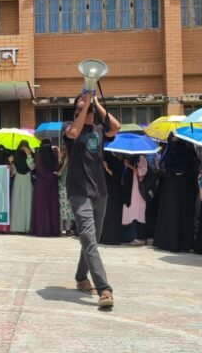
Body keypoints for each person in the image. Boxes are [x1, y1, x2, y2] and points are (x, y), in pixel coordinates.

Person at [64, 92, 121, 308]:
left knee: (92, 239)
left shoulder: (99, 130)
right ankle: (104, 289)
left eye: (87, 98)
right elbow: (74, 132)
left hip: (100, 191)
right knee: (88, 237)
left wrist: (96, 103)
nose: (85, 99)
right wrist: (85, 104)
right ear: (76, 107)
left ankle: (80, 277)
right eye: (81, 99)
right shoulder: (69, 127)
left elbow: (116, 127)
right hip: (78, 191)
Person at [153, 133, 201, 253]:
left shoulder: (188, 151)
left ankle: (185, 243)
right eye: (172, 139)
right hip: (171, 187)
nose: (174, 141)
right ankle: (171, 242)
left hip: (185, 187)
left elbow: (194, 168)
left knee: (184, 214)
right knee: (171, 214)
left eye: (176, 139)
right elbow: (162, 168)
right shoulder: (168, 151)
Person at [32, 139, 61, 237]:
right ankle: (53, 230)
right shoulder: (53, 155)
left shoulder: (39, 156)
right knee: (52, 206)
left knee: (42, 207)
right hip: (53, 185)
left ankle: (41, 230)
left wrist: (49, 176)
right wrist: (53, 176)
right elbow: (56, 168)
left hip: (41, 184)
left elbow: (40, 169)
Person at [121, 155, 147, 246]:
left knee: (139, 214)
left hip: (138, 191)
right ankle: (130, 237)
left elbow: (141, 172)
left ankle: (140, 238)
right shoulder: (129, 159)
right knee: (130, 212)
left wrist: (130, 166)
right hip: (129, 191)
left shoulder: (141, 158)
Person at [99, 152, 124, 245]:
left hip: (114, 193)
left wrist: (107, 168)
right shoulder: (102, 162)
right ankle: (103, 237)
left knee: (112, 215)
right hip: (105, 191)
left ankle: (112, 238)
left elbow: (116, 177)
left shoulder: (116, 162)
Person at [10, 140, 35, 234]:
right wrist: (11, 163)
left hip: (27, 179)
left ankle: (27, 227)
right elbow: (14, 171)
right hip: (18, 180)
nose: (23, 148)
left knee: (27, 202)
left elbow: (32, 167)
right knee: (18, 203)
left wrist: (28, 155)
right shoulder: (15, 156)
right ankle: (17, 227)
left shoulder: (31, 155)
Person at [57, 146, 74, 235]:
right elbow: (58, 173)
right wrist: (64, 163)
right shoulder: (60, 161)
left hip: (69, 186)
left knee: (69, 208)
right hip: (62, 186)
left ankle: (68, 228)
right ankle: (60, 228)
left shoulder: (72, 161)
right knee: (62, 208)